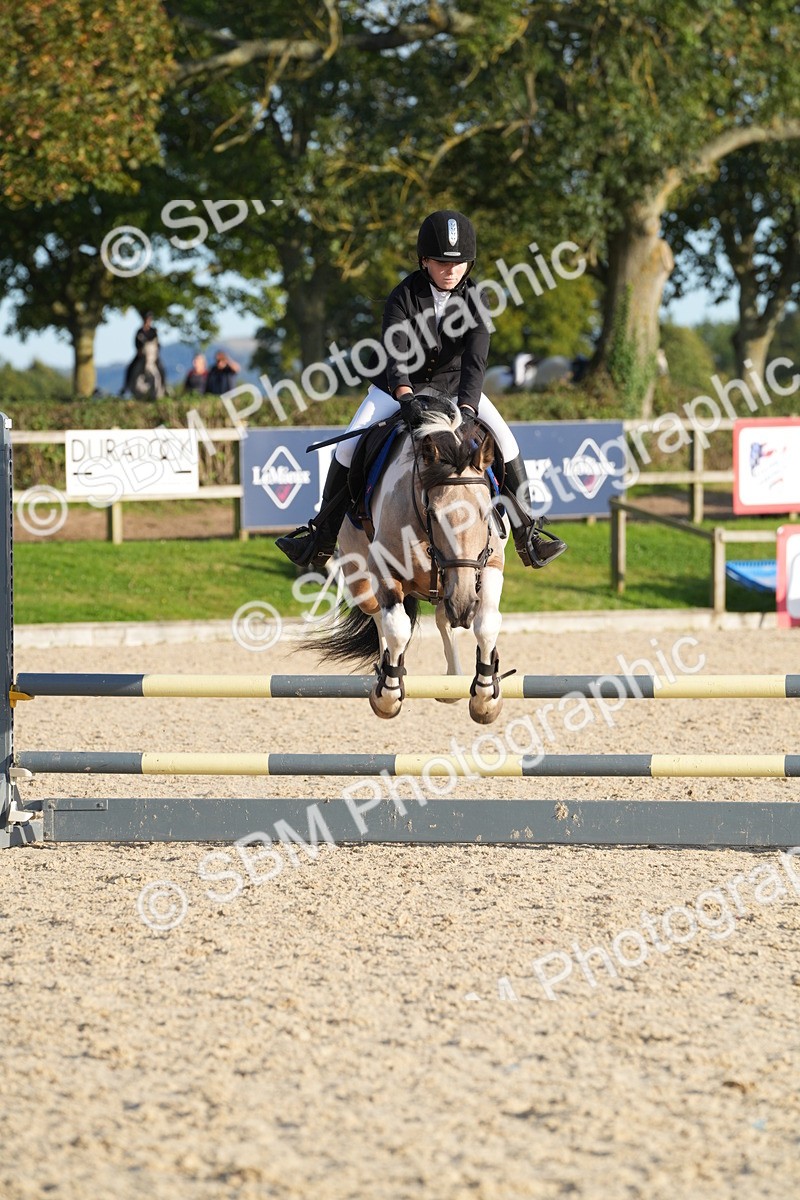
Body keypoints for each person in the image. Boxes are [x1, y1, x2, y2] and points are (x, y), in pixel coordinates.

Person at [276, 210, 568, 571]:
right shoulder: (403, 295)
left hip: (455, 388)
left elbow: (476, 361)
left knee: (506, 442)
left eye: (459, 262)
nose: (451, 269)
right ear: (424, 261)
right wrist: (404, 395)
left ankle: (530, 535)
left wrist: (468, 408)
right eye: (442, 262)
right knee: (349, 447)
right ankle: (320, 537)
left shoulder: (478, 299)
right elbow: (395, 352)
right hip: (397, 388)